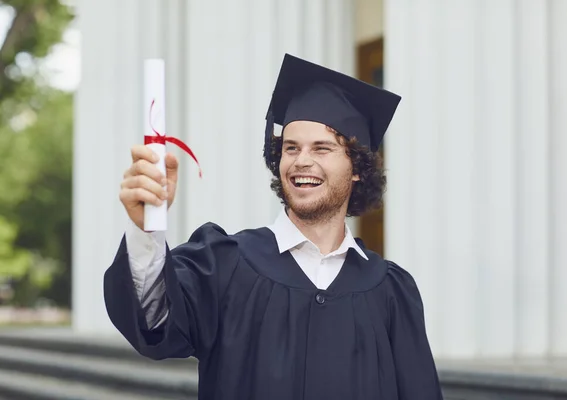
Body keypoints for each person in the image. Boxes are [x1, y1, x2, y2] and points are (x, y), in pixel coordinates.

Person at [104, 53, 443, 399]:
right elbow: (154, 321)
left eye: (322, 148)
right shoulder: (224, 264)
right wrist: (146, 228)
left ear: (356, 168)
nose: (302, 161)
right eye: (291, 148)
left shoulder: (391, 291)